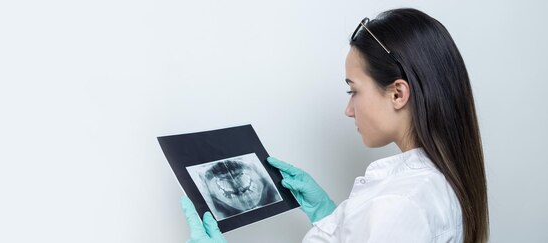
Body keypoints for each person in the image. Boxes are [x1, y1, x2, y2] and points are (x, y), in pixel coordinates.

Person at [179, 8, 489, 243]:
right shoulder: (440, 180)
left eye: (353, 90)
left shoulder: (397, 204)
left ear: (397, 93)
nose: (348, 110)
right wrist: (330, 216)